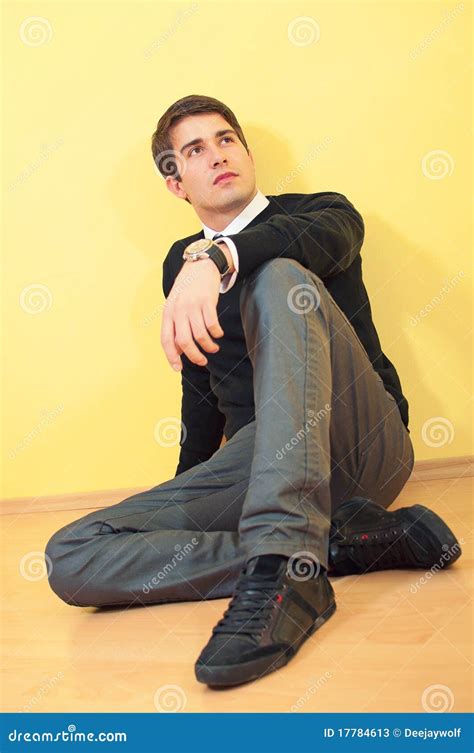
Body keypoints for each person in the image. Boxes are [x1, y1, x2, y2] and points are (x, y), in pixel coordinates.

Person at [44, 94, 462, 689]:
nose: (217, 155)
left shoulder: (322, 213)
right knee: (72, 554)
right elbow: (201, 390)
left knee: (280, 279)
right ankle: (333, 548)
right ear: (175, 183)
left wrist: (218, 258)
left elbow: (317, 241)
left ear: (245, 151)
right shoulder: (177, 269)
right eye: (195, 150)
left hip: (360, 440)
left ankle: (286, 571)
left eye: (226, 140)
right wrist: (185, 488)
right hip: (265, 461)